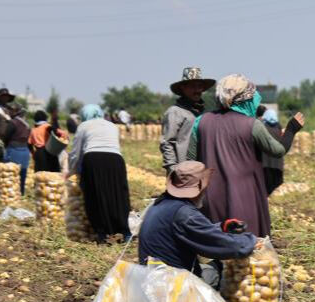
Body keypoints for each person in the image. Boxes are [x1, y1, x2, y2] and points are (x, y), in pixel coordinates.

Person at [188, 73, 304, 237]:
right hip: (245, 197)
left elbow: (190, 161)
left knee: (215, 240)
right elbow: (277, 151)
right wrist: (292, 129)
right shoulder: (252, 125)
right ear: (246, 99)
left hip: (210, 196)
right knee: (245, 243)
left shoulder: (201, 121)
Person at [138, 161, 257, 287]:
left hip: (153, 277)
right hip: (171, 286)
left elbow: (194, 232)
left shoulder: (162, 203)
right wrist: (251, 241)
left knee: (210, 268)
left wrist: (222, 227)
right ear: (200, 187)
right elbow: (223, 246)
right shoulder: (185, 214)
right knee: (218, 271)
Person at [67, 104, 131, 243]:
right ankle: (124, 231)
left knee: (94, 194)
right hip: (116, 160)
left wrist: (72, 171)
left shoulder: (83, 126)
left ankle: (102, 233)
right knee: (118, 194)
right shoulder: (112, 125)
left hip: (93, 159)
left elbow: (76, 152)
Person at [161, 66, 214, 173]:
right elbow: (167, 143)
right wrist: (172, 169)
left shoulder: (203, 112)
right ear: (183, 88)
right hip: (183, 171)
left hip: (202, 168)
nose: (197, 90)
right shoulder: (175, 112)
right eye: (193, 86)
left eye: (200, 86)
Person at [1, 104, 32, 194]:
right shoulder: (27, 125)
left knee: (10, 172)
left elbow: (6, 137)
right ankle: (21, 192)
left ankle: (9, 193)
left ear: (16, 112)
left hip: (14, 150)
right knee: (22, 173)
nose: (9, 112)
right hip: (25, 151)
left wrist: (5, 146)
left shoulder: (13, 123)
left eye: (11, 110)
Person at [259, 108, 286, 195]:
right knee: (275, 185)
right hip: (278, 163)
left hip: (266, 162)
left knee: (266, 187)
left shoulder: (262, 127)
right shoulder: (279, 127)